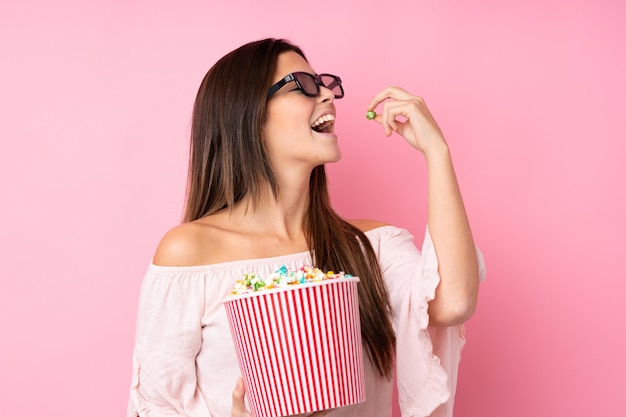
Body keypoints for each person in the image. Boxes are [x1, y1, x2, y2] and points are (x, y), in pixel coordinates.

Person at [127, 38, 485, 417]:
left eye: (327, 84)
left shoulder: (368, 247)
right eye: (304, 84)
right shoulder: (189, 254)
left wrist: (437, 152)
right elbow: (156, 407)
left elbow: (455, 302)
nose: (329, 95)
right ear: (247, 113)